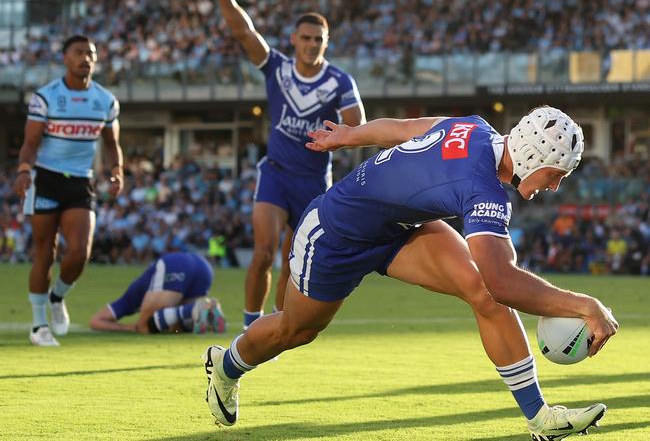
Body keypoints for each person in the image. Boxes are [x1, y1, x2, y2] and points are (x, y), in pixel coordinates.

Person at [201, 106, 619, 439]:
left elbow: (406, 129)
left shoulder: (475, 127)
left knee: (482, 293)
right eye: (557, 174)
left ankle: (539, 418)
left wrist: (351, 135)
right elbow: (505, 278)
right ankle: (226, 367)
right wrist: (586, 304)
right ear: (534, 157)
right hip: (335, 235)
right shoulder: (484, 187)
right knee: (296, 330)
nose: (555, 185)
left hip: (397, 229)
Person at [205, 0, 366, 330]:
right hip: (275, 174)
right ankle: (249, 325)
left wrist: (338, 138)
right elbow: (244, 32)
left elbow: (358, 122)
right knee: (262, 253)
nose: (311, 45)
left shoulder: (339, 82)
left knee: (292, 262)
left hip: (313, 181)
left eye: (318, 40)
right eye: (305, 38)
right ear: (293, 39)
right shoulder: (277, 68)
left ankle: (276, 328)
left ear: (327, 43)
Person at [13, 34, 124, 347]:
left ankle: (57, 296)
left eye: (90, 53)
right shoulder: (46, 97)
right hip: (44, 178)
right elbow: (31, 142)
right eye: (78, 53)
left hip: (79, 180)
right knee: (45, 253)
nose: (85, 58)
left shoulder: (105, 100)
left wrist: (117, 171)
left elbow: (112, 144)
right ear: (65, 58)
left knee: (79, 251)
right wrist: (23, 171)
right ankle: (38, 326)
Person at [89, 252, 226, 334]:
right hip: (203, 266)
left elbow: (95, 321)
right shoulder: (139, 293)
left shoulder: (128, 299)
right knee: (180, 327)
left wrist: (130, 328)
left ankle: (193, 309)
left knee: (144, 327)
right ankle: (209, 314)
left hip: (175, 265)